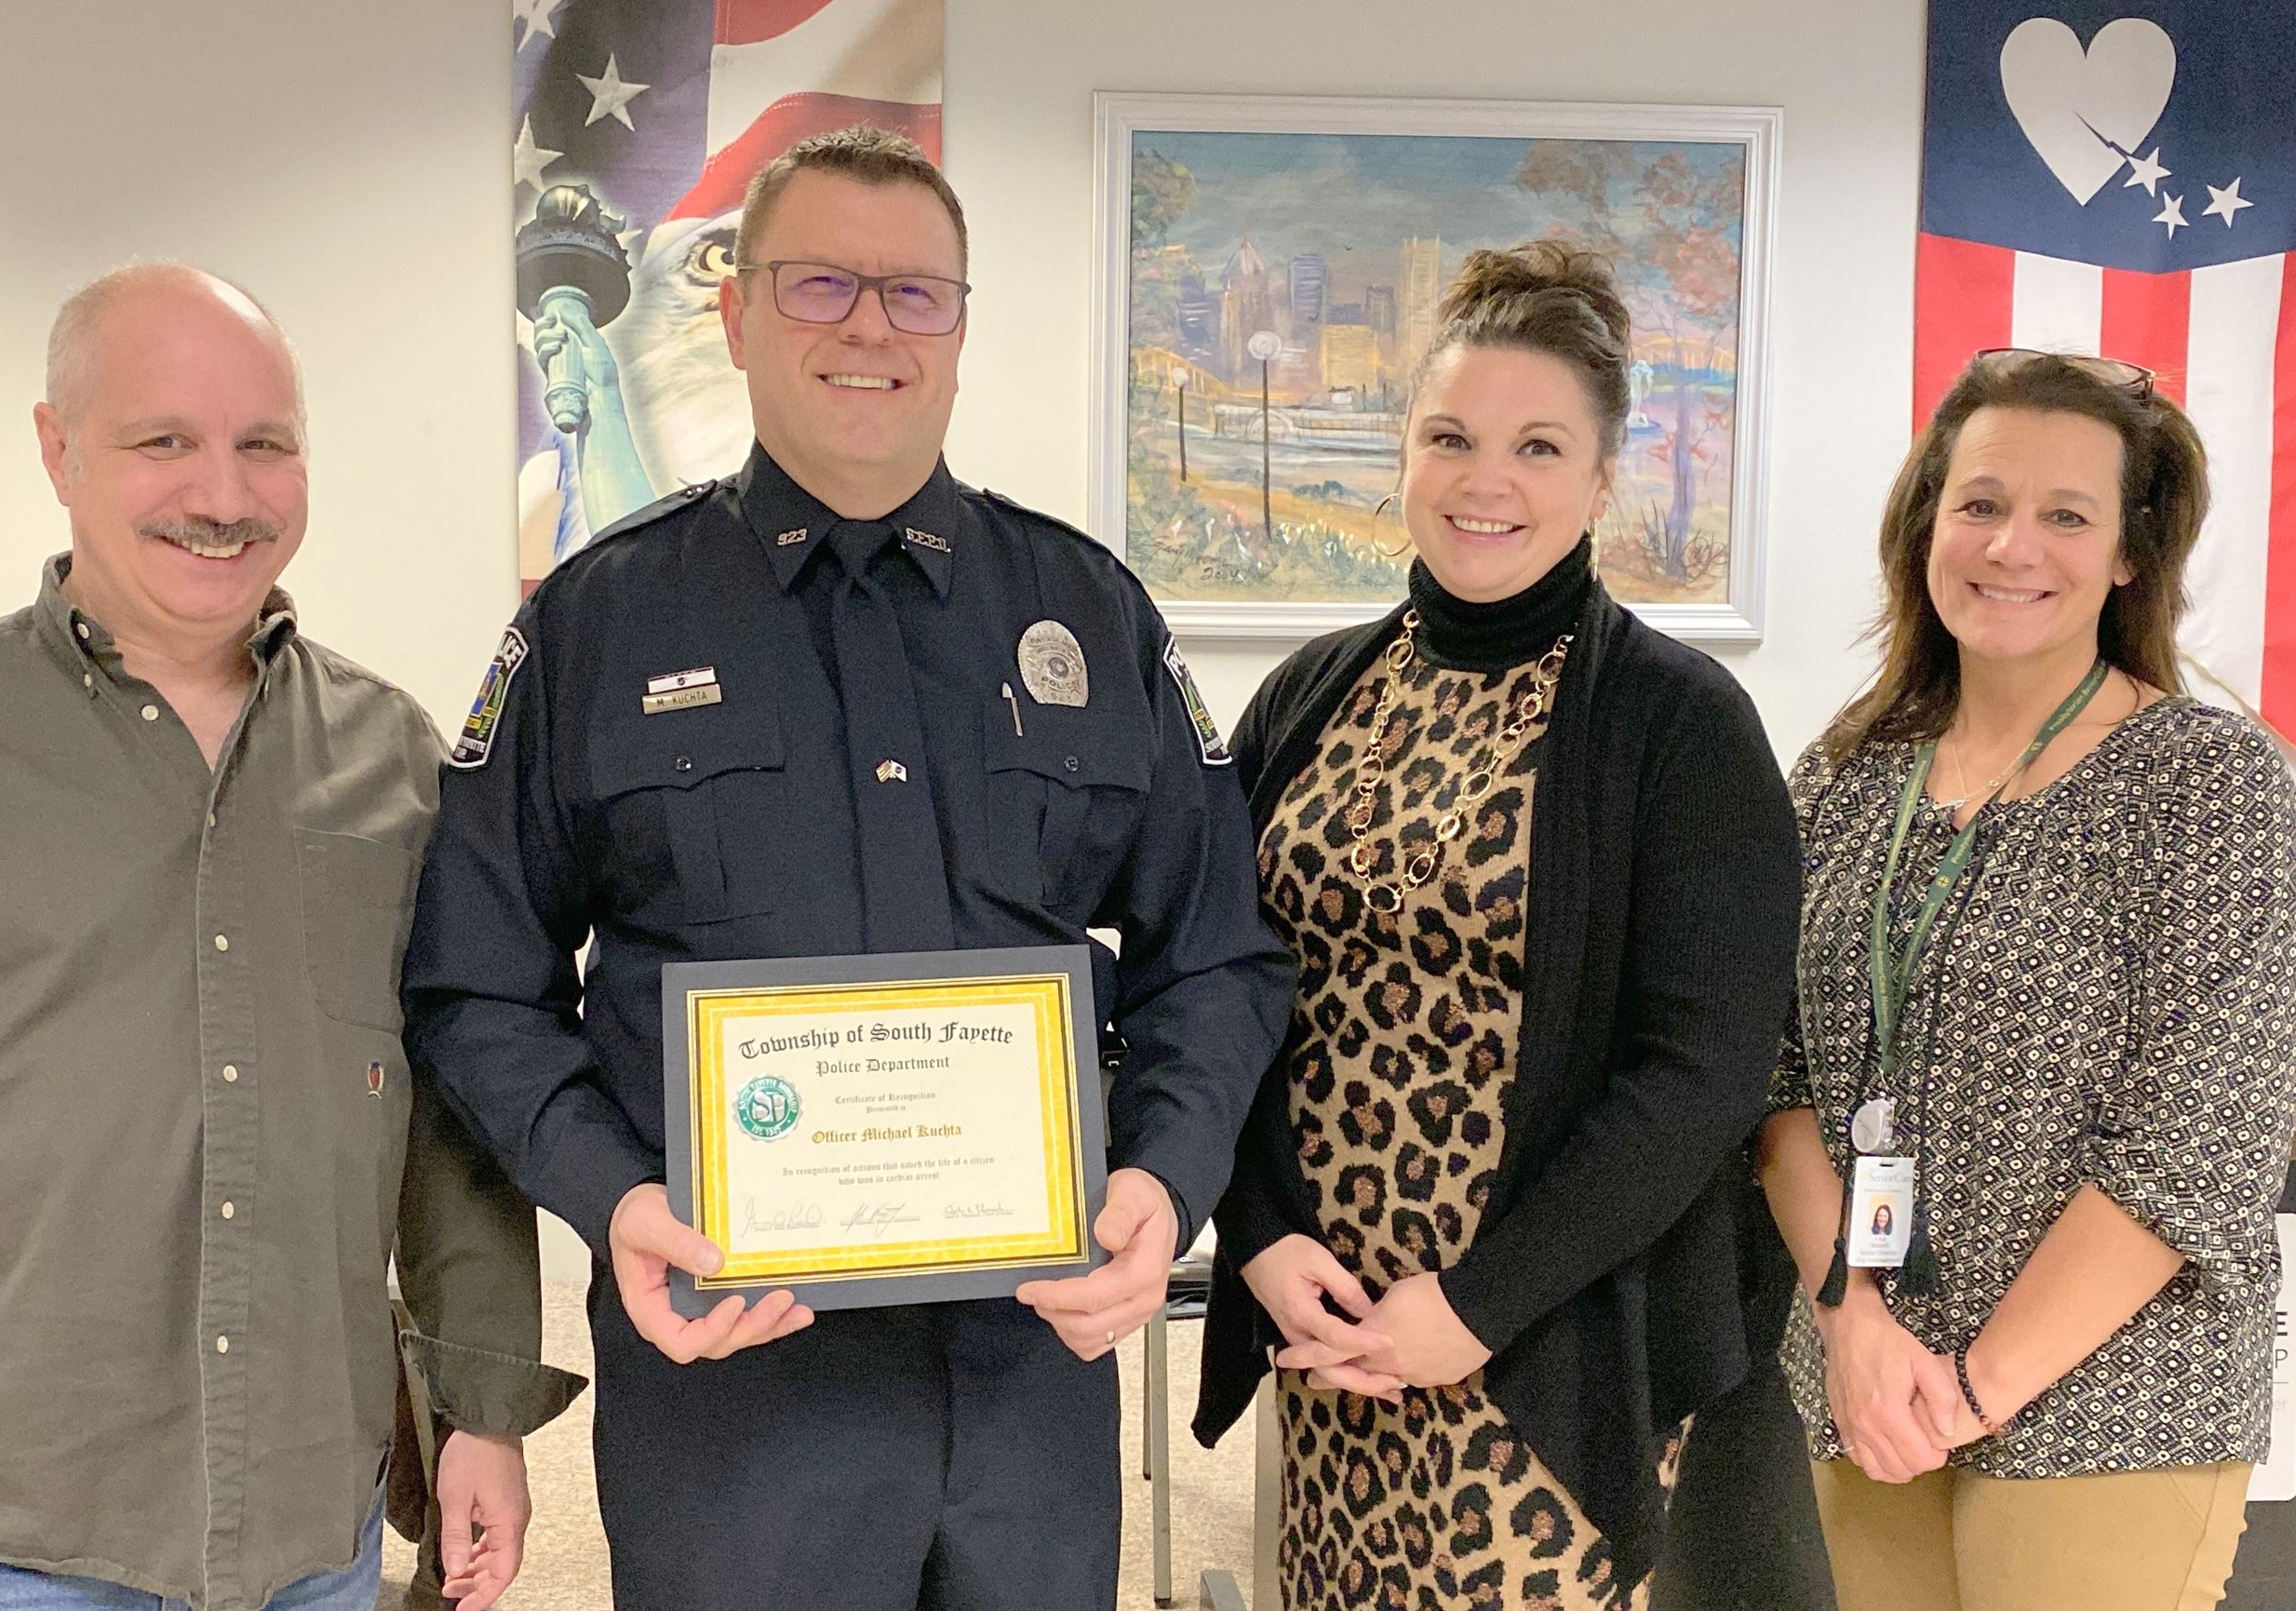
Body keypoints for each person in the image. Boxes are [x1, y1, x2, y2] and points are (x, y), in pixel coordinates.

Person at [400, 128, 1294, 1611]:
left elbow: (1219, 954)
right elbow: (473, 986)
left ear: (959, 328)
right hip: (735, 1390)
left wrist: (1162, 1178)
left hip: (1031, 1374)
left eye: (913, 294)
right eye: (819, 285)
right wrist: (613, 1198)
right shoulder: (596, 628)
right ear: (737, 316)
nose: (871, 327)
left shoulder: (1089, 611)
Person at [0, 265, 581, 1611]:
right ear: (57, 448)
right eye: (163, 441)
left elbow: (454, 1127)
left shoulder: (398, 767)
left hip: (305, 1533)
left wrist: (479, 1410)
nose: (223, 494)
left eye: (266, 444)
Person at [1192, 242, 1803, 1610]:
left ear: (1602, 480)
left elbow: (1696, 1082)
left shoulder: (1680, 727)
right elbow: (1219, 981)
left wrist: (1471, 1308)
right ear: (1402, 451)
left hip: (1541, 1342)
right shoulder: (1309, 694)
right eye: (1451, 436)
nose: (1487, 481)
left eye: (1539, 446)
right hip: (1327, 1318)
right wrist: (1263, 1231)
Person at [1755, 348, 2296, 1611]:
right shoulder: (1844, 775)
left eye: (2067, 515)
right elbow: (1771, 1080)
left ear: (2127, 555)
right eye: (1983, 504)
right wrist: (1855, 1328)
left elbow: (2198, 1144)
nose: (2013, 547)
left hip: (2108, 1411)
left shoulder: (2213, 787)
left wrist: (1976, 1387)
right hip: (1865, 1394)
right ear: (1928, 524)